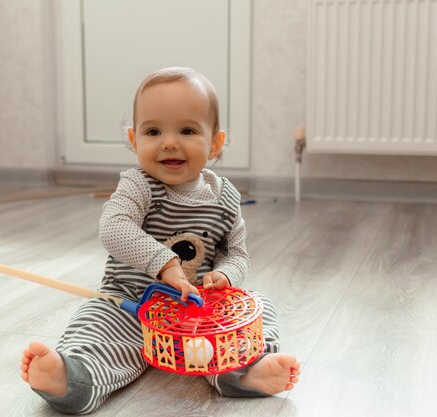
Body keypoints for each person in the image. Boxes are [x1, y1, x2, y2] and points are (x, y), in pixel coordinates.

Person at [20, 67, 301, 414]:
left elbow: (237, 254)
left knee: (260, 308)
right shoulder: (138, 185)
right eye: (153, 131)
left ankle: (245, 371)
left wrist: (226, 276)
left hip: (197, 315)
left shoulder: (225, 197)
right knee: (95, 320)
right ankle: (73, 377)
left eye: (186, 130)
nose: (169, 141)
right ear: (134, 140)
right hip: (130, 306)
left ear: (215, 143)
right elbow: (114, 227)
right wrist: (164, 263)